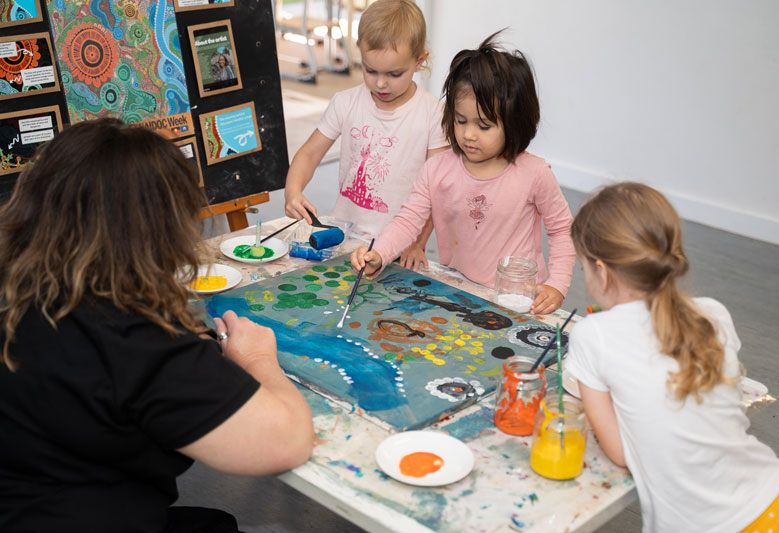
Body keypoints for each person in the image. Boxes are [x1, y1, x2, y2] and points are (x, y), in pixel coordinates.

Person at [0, 119, 315, 531]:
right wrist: (258, 358)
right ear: (158, 230)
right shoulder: (131, 337)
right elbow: (287, 441)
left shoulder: (19, 286)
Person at [565, 182, 779, 532]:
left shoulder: (591, 335)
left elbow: (620, 453)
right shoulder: (714, 314)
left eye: (583, 268)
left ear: (601, 269)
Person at [350, 31, 575, 315]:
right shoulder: (437, 169)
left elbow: (562, 230)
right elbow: (409, 220)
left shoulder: (535, 173)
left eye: (484, 126)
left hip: (519, 299)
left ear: (515, 122)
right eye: (460, 120)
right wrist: (379, 253)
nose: (468, 134)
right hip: (459, 290)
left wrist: (557, 284)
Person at [284, 0, 448, 271]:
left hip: (399, 246)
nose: (381, 83)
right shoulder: (345, 102)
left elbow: (437, 190)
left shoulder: (433, 114)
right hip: (343, 238)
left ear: (420, 60)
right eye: (370, 70)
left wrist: (416, 243)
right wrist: (292, 190)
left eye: (395, 74)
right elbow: (310, 152)